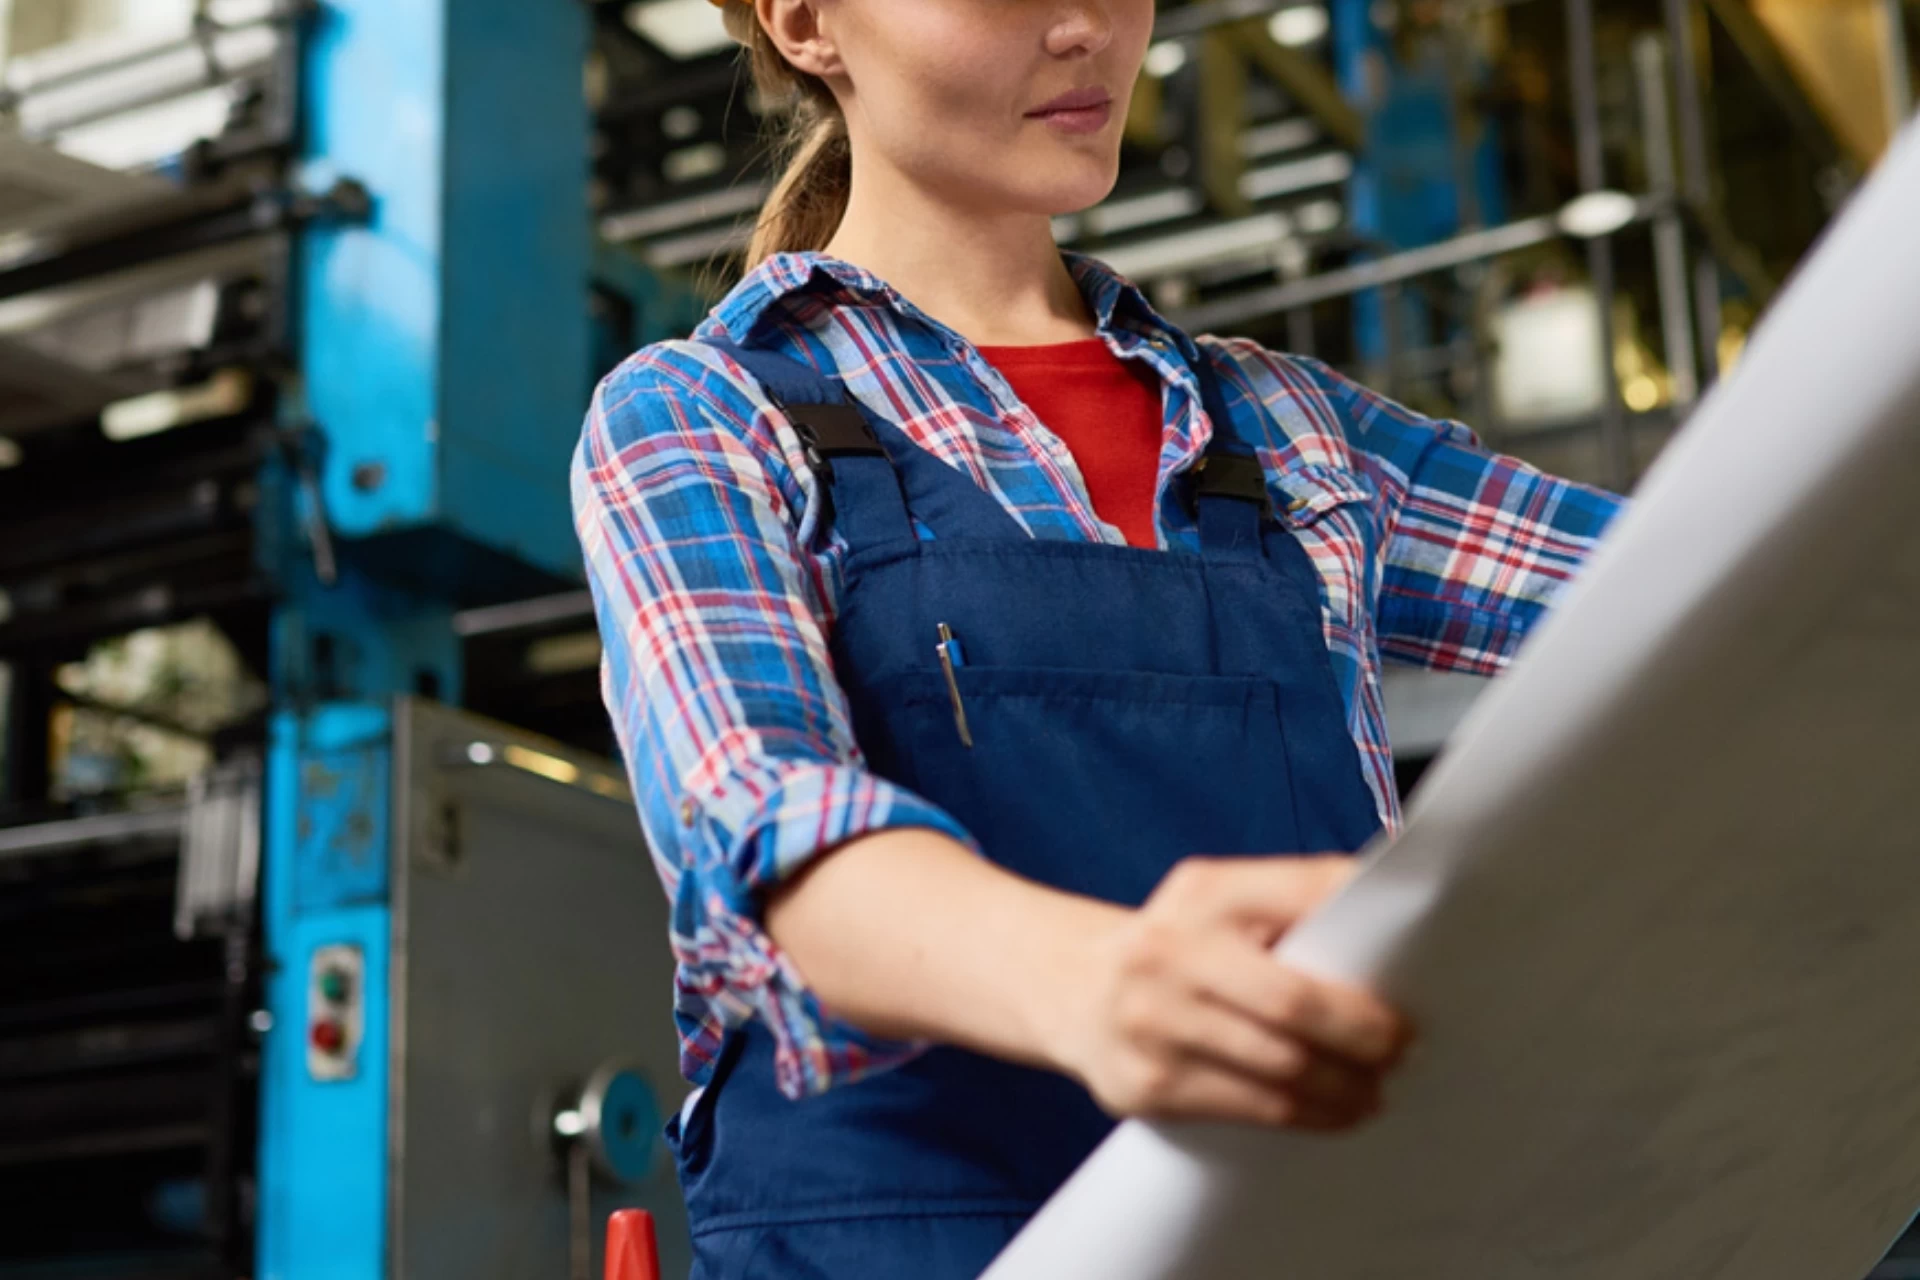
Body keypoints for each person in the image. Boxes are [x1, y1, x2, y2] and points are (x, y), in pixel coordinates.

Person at [571, 1, 1626, 1274]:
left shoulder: (1296, 436)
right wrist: (1097, 981)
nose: (1087, 27)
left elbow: (1694, 585)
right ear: (805, 21)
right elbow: (772, 827)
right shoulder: (705, 418)